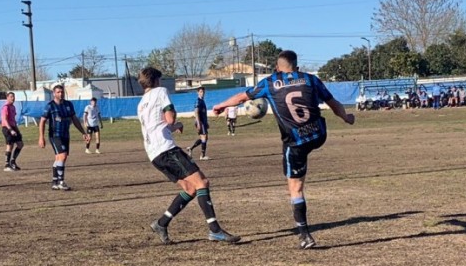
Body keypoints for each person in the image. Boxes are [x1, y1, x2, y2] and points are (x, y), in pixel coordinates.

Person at [212, 50, 355, 249]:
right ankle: (304, 233)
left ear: (278, 68)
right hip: (318, 135)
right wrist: (346, 118)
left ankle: (305, 236)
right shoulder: (310, 79)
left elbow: (241, 97)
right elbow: (333, 103)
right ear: (297, 67)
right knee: (305, 148)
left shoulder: (270, 83)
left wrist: (221, 105)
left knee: (296, 188)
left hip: (295, 142)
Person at [137, 67, 240, 245]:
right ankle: (215, 230)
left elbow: (159, 126)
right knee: (202, 183)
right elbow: (168, 118)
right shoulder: (160, 92)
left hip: (153, 154)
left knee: (190, 189)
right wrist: (174, 120)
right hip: (167, 149)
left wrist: (175, 126)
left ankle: (161, 224)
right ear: (155, 81)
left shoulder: (141, 104)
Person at [38, 84, 89, 191]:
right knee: (62, 155)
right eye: (58, 92)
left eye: (62, 92)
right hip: (55, 135)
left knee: (59, 158)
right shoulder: (50, 106)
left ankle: (55, 181)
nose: (60, 94)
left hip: (65, 134)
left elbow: (74, 119)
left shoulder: (68, 104)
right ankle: (61, 182)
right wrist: (41, 137)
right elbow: (42, 121)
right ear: (54, 93)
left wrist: (83, 133)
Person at [0, 92, 24, 171]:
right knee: (10, 146)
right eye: (11, 97)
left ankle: (13, 161)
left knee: (20, 144)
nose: (13, 98)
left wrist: (17, 129)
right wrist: (10, 129)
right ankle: (7, 165)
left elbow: (13, 119)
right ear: (7, 97)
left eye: (13, 97)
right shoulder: (5, 107)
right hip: (7, 128)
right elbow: (4, 119)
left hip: (14, 127)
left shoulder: (13, 107)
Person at [186, 87, 210, 160]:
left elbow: (203, 113)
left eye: (203, 92)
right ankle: (202, 156)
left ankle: (191, 148)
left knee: (205, 138)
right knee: (204, 137)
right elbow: (196, 112)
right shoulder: (198, 101)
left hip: (203, 122)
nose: (202, 93)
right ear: (198, 92)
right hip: (200, 122)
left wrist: (206, 122)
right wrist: (199, 123)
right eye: (201, 92)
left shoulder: (202, 101)